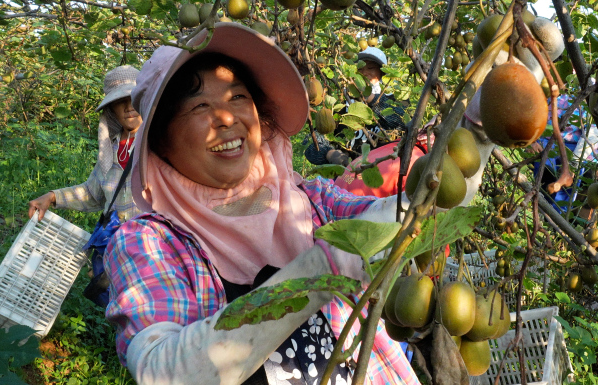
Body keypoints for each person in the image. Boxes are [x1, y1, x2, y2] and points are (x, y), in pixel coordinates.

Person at [104, 23, 419, 385]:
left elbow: (409, 216)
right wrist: (325, 266)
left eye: (238, 97)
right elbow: (163, 371)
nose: (226, 117)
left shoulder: (313, 200)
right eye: (200, 106)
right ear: (159, 140)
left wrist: (474, 132)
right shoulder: (149, 243)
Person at [28, 65, 142, 223]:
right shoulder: (110, 149)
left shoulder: (159, 143)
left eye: (134, 98)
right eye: (120, 101)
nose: (129, 107)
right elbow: (92, 193)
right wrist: (52, 196)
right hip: (118, 242)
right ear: (111, 109)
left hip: (153, 242)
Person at [304, 47, 408, 167]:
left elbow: (401, 125)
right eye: (359, 69)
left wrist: (370, 98)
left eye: (370, 68)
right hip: (348, 177)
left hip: (384, 170)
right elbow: (311, 143)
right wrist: (330, 154)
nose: (364, 73)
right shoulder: (341, 105)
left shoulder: (396, 98)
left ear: (382, 73)